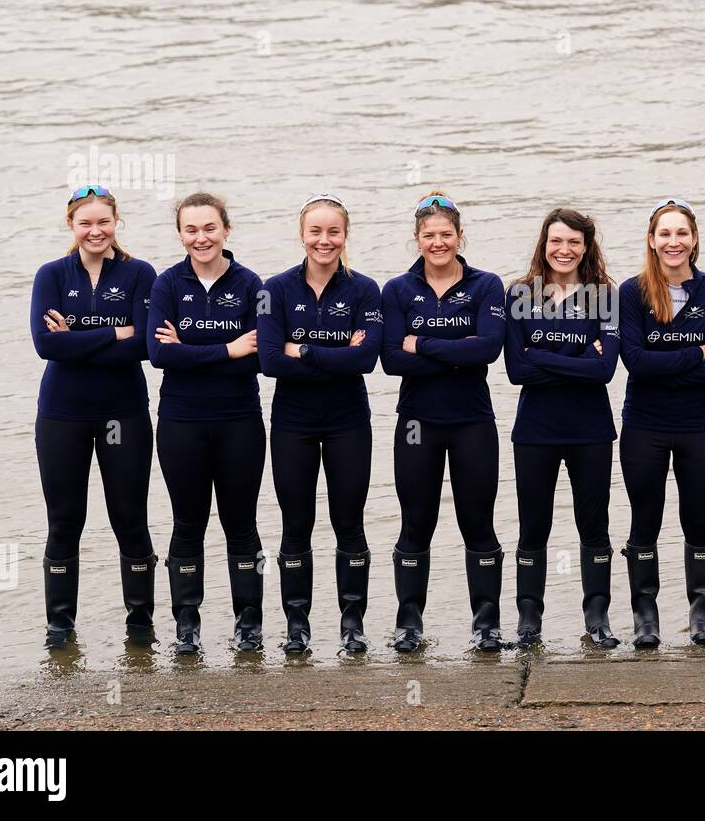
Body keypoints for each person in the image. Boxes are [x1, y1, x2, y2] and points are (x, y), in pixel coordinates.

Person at [29, 185, 157, 649]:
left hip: (123, 412)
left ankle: (140, 623)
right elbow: (46, 347)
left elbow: (145, 345)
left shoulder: (140, 274)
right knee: (65, 519)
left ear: (116, 222)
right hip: (62, 414)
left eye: (103, 221)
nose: (95, 230)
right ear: (71, 225)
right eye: (86, 222)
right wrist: (114, 333)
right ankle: (60, 627)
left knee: (130, 517)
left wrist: (78, 339)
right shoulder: (51, 275)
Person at [380, 193, 508, 652]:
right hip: (417, 423)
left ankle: (487, 625)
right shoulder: (397, 290)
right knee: (416, 523)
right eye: (429, 235)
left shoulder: (487, 285)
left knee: (479, 523)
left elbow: (488, 350)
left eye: (446, 234)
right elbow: (392, 359)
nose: (438, 242)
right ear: (416, 239)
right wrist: (456, 348)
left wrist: (423, 344)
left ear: (459, 236)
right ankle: (409, 624)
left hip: (472, 420)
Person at [257, 193, 382, 654]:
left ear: (345, 235)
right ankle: (297, 625)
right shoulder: (275, 289)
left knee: (349, 522)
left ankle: (352, 624)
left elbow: (366, 359)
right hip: (293, 423)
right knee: (296, 524)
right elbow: (270, 361)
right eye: (316, 231)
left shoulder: (364, 290)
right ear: (302, 234)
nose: (324, 240)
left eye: (334, 231)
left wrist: (303, 349)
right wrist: (337, 355)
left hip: (348, 420)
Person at [148, 193, 265, 654]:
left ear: (226, 230)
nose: (201, 238)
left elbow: (258, 358)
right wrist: (227, 349)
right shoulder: (166, 285)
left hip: (239, 419)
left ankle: (249, 624)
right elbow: (159, 355)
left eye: (210, 228)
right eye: (191, 230)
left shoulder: (251, 283)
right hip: (181, 421)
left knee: (242, 525)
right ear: (181, 235)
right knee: (187, 524)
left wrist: (191, 351)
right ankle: (186, 626)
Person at [617, 198, 705, 647]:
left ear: (694, 239)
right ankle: (645, 617)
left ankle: (702, 612)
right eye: (664, 234)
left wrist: (670, 358)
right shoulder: (632, 292)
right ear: (652, 241)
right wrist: (695, 353)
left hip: (699, 423)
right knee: (644, 520)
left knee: (698, 520)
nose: (673, 241)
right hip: (644, 423)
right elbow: (634, 361)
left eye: (681, 233)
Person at [504, 208, 621, 648]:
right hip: (535, 430)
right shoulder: (519, 294)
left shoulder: (605, 295)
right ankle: (529, 621)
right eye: (556, 241)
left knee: (594, 527)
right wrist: (579, 359)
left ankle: (597, 619)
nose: (564, 250)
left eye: (574, 242)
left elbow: (606, 369)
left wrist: (541, 354)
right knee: (533, 528)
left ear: (587, 246)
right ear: (544, 244)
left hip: (591, 428)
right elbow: (516, 370)